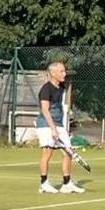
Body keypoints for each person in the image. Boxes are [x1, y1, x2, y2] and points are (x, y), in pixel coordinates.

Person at [36, 60, 84, 194]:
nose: (64, 74)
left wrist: (61, 128)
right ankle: (44, 183)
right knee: (47, 152)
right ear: (53, 73)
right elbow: (45, 110)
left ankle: (67, 183)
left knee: (68, 153)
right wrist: (53, 129)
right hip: (46, 125)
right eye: (61, 71)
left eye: (64, 71)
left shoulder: (62, 88)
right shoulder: (46, 89)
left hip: (59, 124)